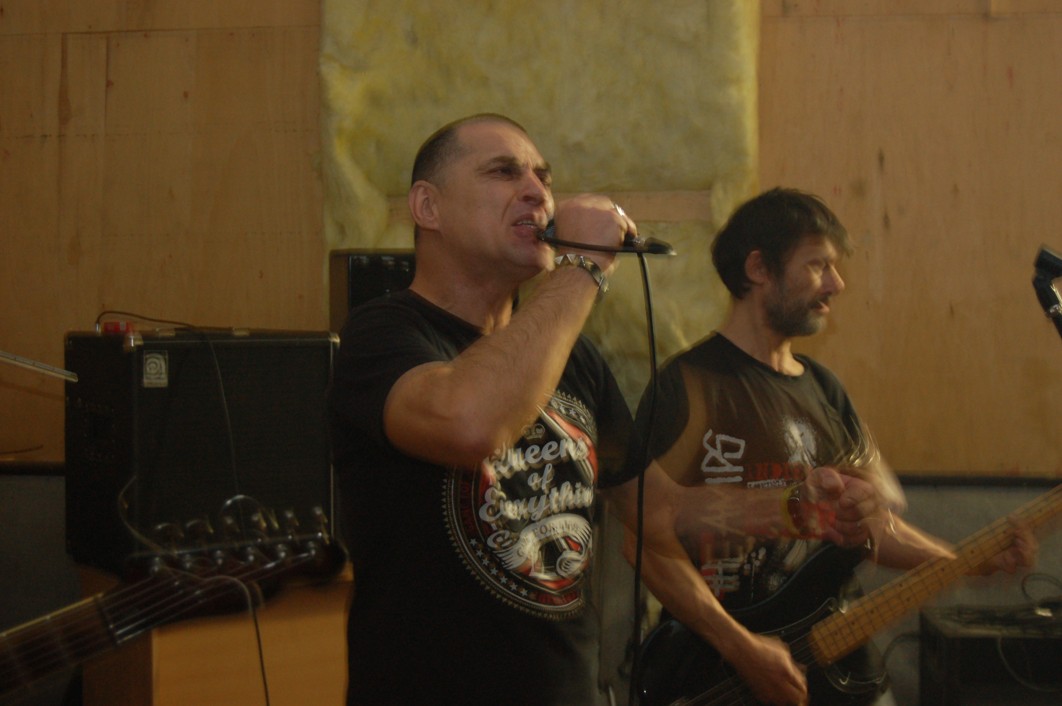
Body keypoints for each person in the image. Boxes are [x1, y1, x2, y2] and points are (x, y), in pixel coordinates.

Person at [632, 187, 1037, 706]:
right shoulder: (686, 385)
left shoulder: (825, 389)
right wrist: (743, 648)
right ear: (759, 268)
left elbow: (875, 526)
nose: (837, 283)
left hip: (841, 667)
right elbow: (644, 542)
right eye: (817, 264)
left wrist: (971, 561)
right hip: (719, 674)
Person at [327, 113, 645, 705]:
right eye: (504, 172)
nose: (538, 193)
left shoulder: (571, 353)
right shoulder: (381, 335)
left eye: (544, 178)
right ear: (428, 207)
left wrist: (790, 504)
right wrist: (583, 266)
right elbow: (471, 424)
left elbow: (660, 512)